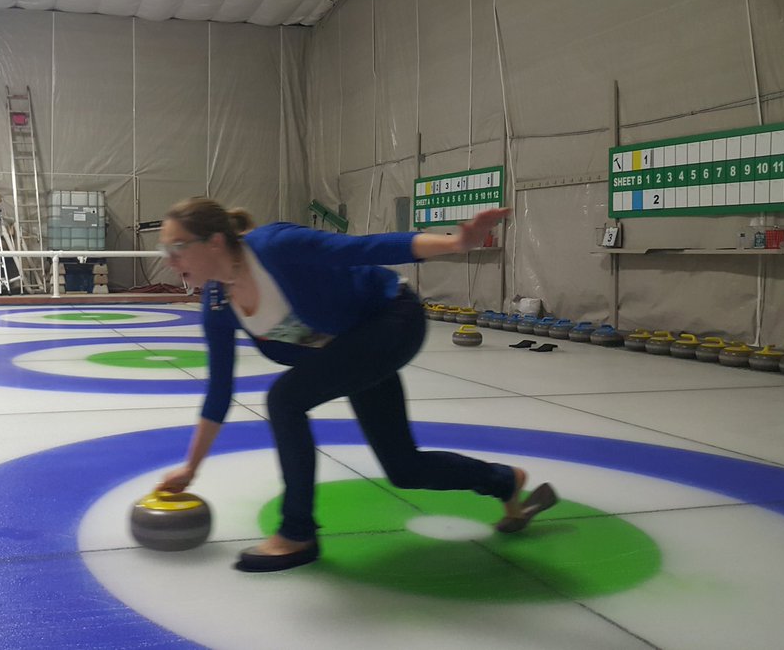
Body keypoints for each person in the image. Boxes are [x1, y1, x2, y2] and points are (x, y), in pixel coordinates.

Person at [155, 197, 557, 573]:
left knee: (285, 399)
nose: (170, 260)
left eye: (178, 247)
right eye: (166, 250)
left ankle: (297, 533)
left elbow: (364, 248)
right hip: (351, 345)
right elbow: (219, 393)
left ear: (215, 242)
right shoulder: (218, 304)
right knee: (405, 469)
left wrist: (456, 243)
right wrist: (191, 469)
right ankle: (504, 481)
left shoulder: (274, 247)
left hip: (392, 319)